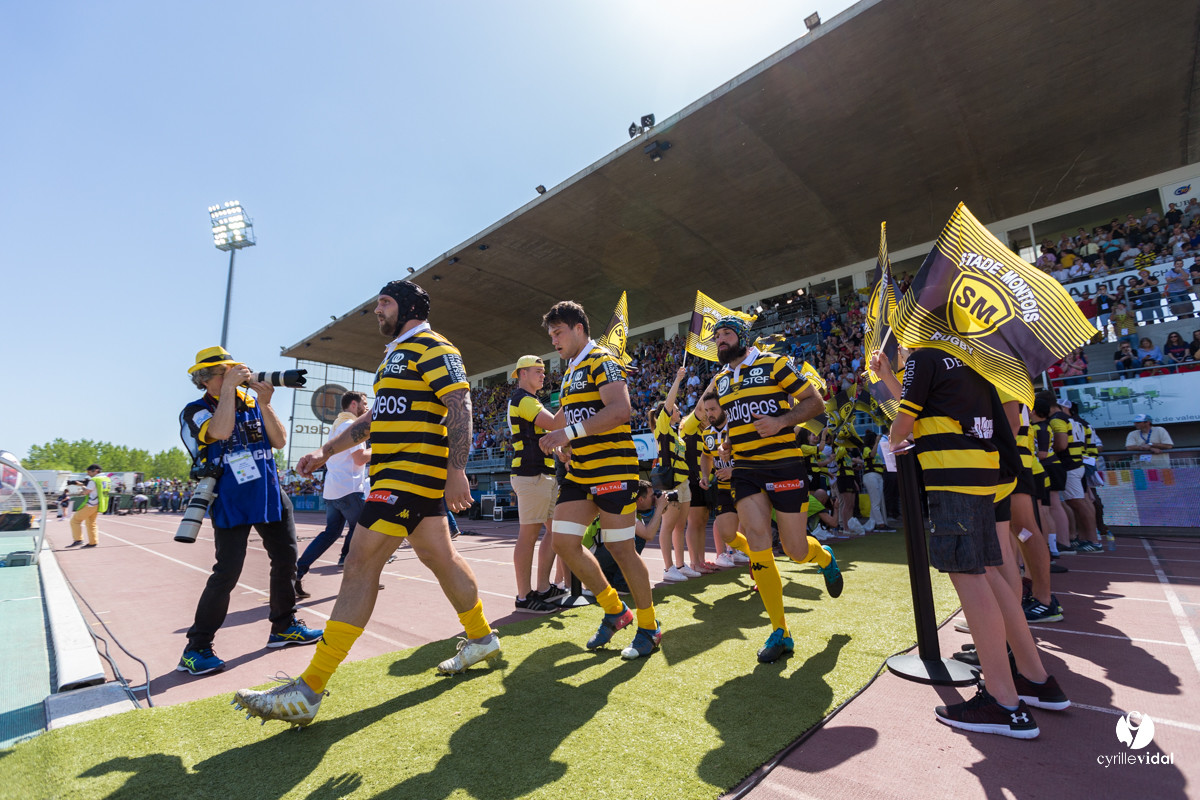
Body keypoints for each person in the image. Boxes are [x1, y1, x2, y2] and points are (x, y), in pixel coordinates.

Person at [234, 281, 500, 727]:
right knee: (442, 557)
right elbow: (371, 421)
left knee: (359, 566)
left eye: (385, 303)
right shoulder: (394, 357)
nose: (376, 310)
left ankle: (309, 689)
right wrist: (324, 452)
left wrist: (457, 469)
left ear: (410, 307)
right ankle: (481, 637)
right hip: (402, 475)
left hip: (408, 474)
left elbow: (460, 404)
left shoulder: (433, 346)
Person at [875, 349, 1068, 738]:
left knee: (970, 577)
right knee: (992, 575)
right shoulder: (974, 355)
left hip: (953, 474)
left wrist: (893, 437)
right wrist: (892, 379)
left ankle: (1003, 701)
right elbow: (936, 410)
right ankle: (1035, 678)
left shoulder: (925, 355)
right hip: (987, 473)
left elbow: (906, 423)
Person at [177, 347, 320, 676]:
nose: (234, 376)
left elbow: (279, 441)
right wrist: (228, 391)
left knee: (286, 560)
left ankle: (284, 627)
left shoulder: (252, 402)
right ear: (205, 378)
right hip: (229, 495)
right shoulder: (195, 410)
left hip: (268, 491)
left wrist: (266, 404)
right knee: (227, 572)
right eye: (224, 372)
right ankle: (196, 647)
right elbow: (221, 431)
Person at [711, 316, 844, 664]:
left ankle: (825, 557)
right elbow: (737, 421)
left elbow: (813, 402)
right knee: (757, 538)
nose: (720, 341)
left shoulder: (774, 363)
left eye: (725, 334)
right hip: (745, 470)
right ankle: (780, 631)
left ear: (742, 337)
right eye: (716, 337)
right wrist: (727, 444)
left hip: (784, 465)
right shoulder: (722, 381)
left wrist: (782, 421)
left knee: (795, 549)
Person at [536, 300, 661, 660]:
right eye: (550, 335)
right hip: (580, 472)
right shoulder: (571, 369)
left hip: (613, 470)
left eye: (558, 332)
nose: (554, 341)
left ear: (579, 328)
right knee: (563, 542)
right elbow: (565, 414)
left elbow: (621, 410)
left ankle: (649, 628)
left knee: (621, 549)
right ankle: (615, 609)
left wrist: (569, 432)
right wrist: (556, 439)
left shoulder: (602, 359)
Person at [294, 391, 372, 599]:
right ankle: (359, 577)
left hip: (334, 490)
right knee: (367, 531)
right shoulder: (351, 426)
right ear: (354, 405)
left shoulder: (338, 425)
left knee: (331, 533)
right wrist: (381, 450)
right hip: (349, 488)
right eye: (365, 403)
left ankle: (297, 571)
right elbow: (359, 458)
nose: (367, 406)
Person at [507, 355, 564, 613]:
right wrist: (573, 396)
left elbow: (546, 433)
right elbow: (553, 423)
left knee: (553, 532)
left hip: (541, 473)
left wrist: (558, 449)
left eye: (543, 371)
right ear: (522, 374)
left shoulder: (530, 400)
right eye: (537, 371)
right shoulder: (523, 400)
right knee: (528, 536)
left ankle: (542, 588)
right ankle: (523, 596)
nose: (543, 374)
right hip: (531, 475)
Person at [66, 465, 108, 548]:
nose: (88, 474)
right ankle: (93, 542)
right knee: (91, 523)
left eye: (89, 472)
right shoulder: (106, 479)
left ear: (96, 471)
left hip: (91, 504)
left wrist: (81, 486)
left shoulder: (94, 480)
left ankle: (78, 540)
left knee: (75, 521)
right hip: (99, 503)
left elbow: (86, 492)